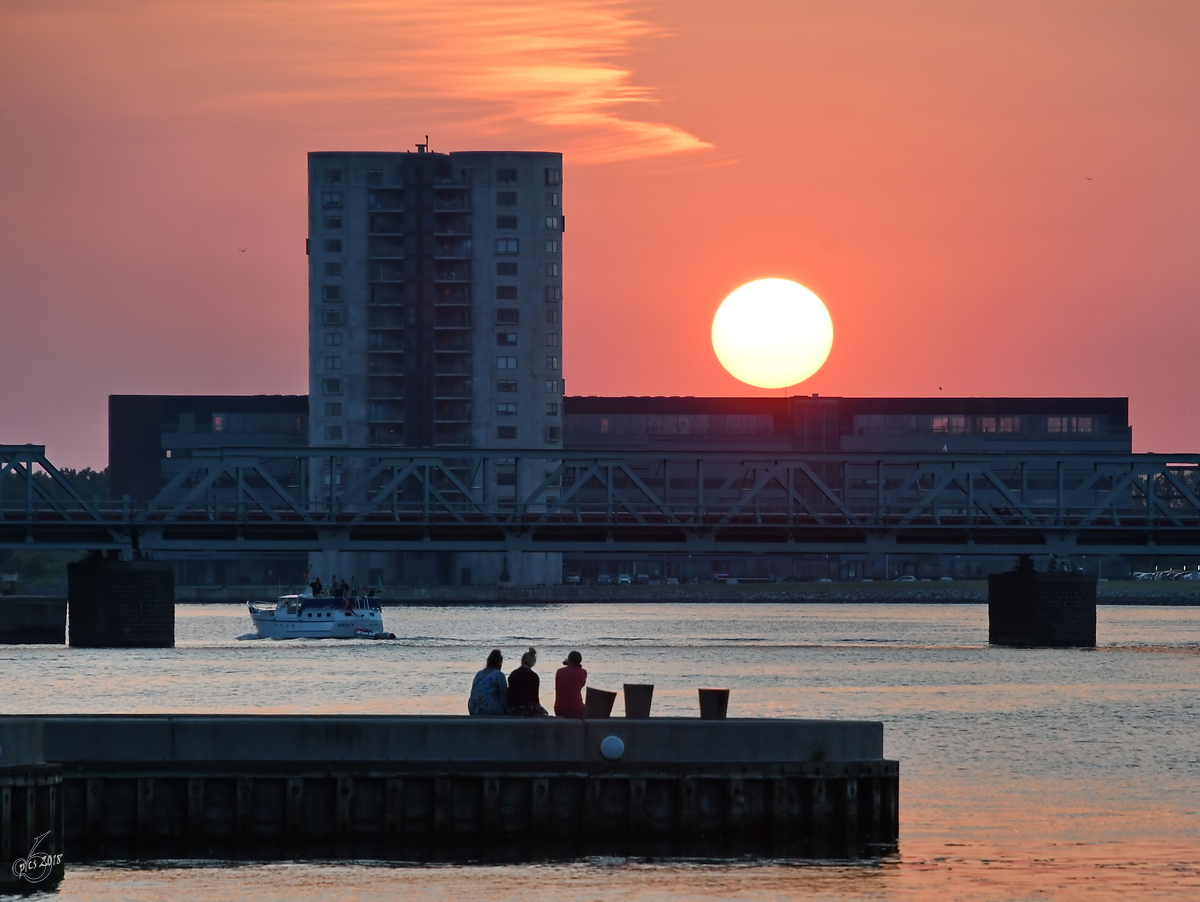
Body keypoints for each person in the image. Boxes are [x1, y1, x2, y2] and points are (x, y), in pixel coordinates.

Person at [506, 647, 548, 716]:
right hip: (528, 708)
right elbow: (535, 698)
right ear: (533, 662)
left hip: (513, 707)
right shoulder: (534, 676)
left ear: (522, 660)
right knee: (545, 713)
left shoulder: (513, 674)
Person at [468, 649, 508, 716]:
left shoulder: (479, 674)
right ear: (500, 663)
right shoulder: (499, 675)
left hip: (473, 706)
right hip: (488, 707)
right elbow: (504, 695)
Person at [554, 650, 587, 718]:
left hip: (559, 709)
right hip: (576, 709)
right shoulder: (583, 672)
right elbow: (581, 685)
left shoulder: (559, 671)